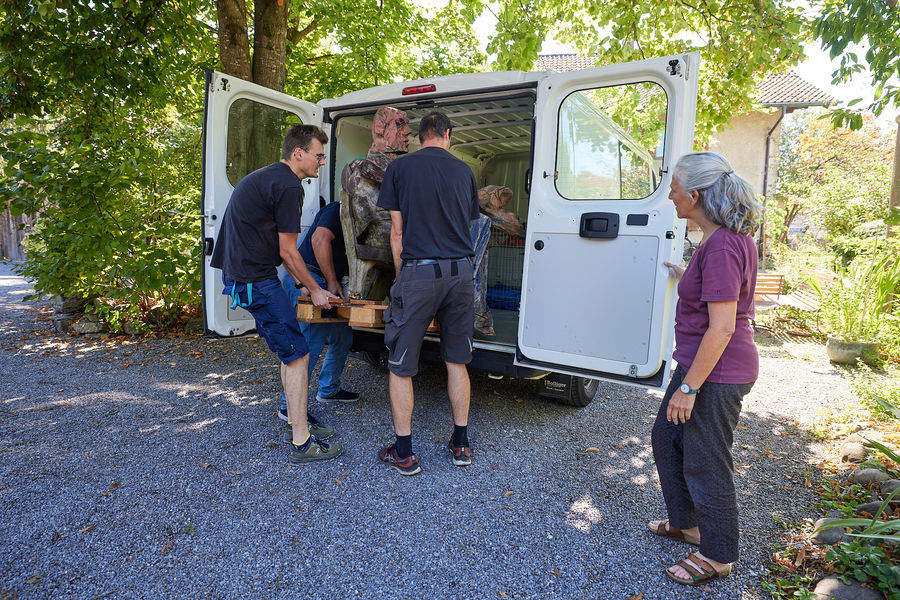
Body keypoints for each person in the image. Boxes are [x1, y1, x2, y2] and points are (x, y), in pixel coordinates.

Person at [648, 151, 762, 585]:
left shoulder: (722, 247)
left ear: (694, 196)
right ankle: (686, 523)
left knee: (705, 459)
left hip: (715, 372)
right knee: (667, 436)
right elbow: (717, 293)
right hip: (701, 366)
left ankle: (718, 554)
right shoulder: (719, 242)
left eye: (675, 190)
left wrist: (689, 388)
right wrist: (685, 273)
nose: (672, 197)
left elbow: (722, 329)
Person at [210, 124, 343, 464]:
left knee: (290, 350)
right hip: (255, 279)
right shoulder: (288, 186)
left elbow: (276, 246)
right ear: (298, 153)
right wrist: (316, 290)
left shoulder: (271, 177)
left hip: (247, 276)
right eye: (319, 155)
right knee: (298, 354)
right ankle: (302, 442)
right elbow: (288, 250)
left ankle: (291, 417)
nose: (321, 162)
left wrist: (301, 285)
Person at [375, 111, 479, 476]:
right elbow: (464, 224)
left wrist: (403, 281)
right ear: (448, 134)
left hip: (419, 270)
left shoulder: (399, 169)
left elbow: (397, 233)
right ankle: (461, 444)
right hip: (461, 272)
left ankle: (404, 453)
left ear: (420, 137)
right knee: (457, 360)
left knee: (401, 365)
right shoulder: (465, 171)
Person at [275, 200, 360, 431]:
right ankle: (288, 407)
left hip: (326, 280)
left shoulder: (360, 213)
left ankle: (329, 390)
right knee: (309, 343)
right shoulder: (339, 208)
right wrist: (331, 282)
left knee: (343, 335)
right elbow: (319, 240)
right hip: (309, 279)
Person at [341, 106, 410, 299]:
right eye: (400, 124)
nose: (408, 132)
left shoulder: (393, 170)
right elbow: (366, 220)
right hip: (385, 237)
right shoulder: (367, 170)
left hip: (390, 234)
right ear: (380, 127)